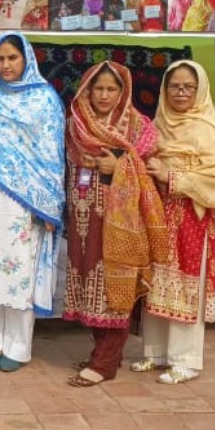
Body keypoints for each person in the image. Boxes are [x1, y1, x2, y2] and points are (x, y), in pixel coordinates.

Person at [0, 31, 65, 372]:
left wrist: (49, 204)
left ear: (27, 59)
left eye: (12, 58)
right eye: (0, 59)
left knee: (19, 268)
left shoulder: (44, 99)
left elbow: (53, 154)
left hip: (26, 200)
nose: (5, 65)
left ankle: (17, 347)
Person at [63, 62, 167, 387]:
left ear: (123, 92)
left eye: (112, 89)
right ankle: (105, 353)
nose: (104, 95)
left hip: (121, 220)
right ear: (87, 90)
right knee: (91, 286)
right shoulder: (76, 125)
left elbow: (150, 169)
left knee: (114, 286)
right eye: (98, 88)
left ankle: (105, 362)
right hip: (84, 218)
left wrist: (120, 164)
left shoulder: (138, 127)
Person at [136, 60, 215, 384]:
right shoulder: (157, 125)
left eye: (188, 87)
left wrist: (172, 176)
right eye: (174, 86)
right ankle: (155, 353)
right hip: (158, 215)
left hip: (192, 216)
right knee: (156, 282)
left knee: (186, 286)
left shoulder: (208, 130)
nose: (180, 93)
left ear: (200, 90)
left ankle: (186, 361)